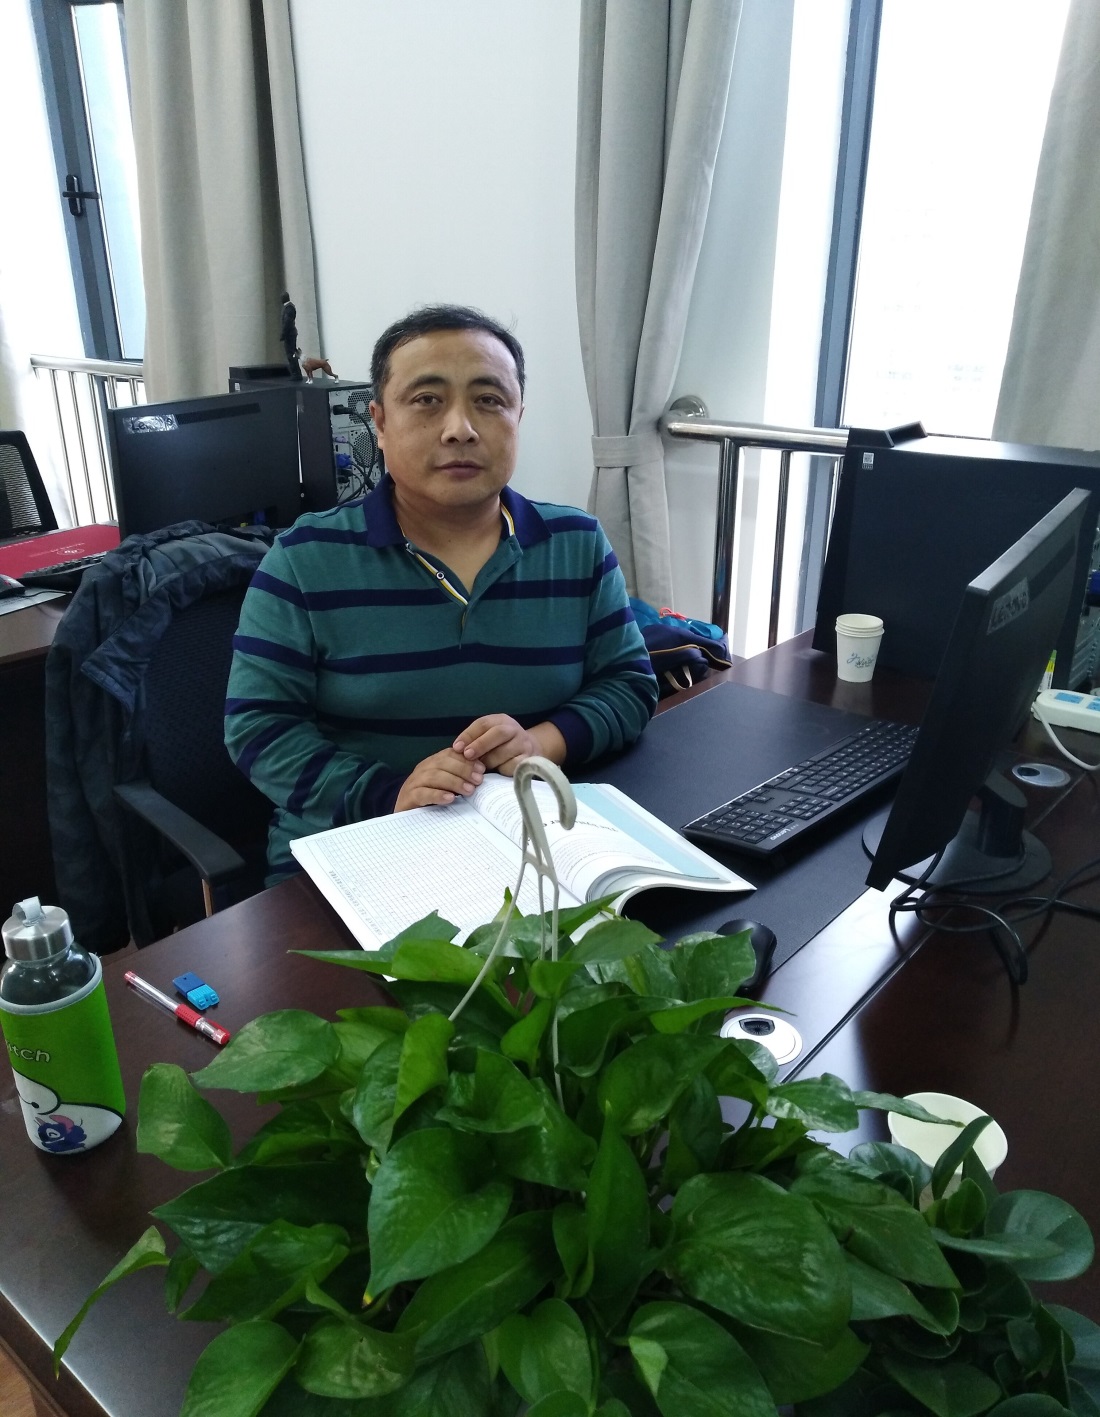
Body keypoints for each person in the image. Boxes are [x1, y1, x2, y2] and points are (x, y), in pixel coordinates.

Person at [225, 304, 658, 879]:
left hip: (529, 846)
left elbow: (629, 683)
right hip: (358, 850)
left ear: (518, 415)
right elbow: (258, 728)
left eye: (489, 400)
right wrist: (391, 792)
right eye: (427, 399)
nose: (461, 428)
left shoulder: (576, 543)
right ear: (379, 422)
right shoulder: (304, 558)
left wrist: (539, 744)